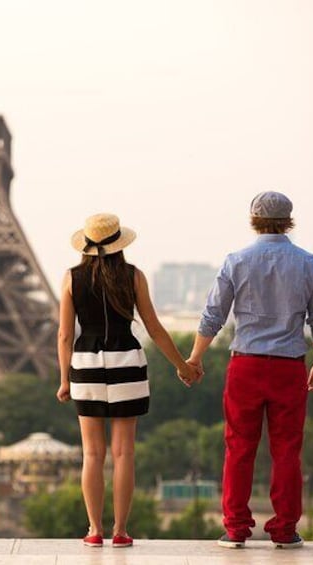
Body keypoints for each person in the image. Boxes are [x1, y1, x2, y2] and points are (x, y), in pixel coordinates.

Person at [185, 191, 313, 550]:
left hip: (245, 365)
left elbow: (213, 316)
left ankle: (236, 529)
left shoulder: (236, 261)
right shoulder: (308, 263)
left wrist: (194, 358)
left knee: (238, 448)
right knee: (286, 450)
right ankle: (284, 529)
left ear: (253, 220)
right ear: (289, 220)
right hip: (289, 367)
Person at [56, 212, 201, 548]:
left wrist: (64, 379)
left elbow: (65, 335)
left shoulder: (70, 278)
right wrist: (182, 365)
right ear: (120, 243)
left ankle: (94, 530)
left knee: (92, 454)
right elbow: (154, 328)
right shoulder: (133, 277)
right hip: (127, 362)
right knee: (124, 454)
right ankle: (120, 531)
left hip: (87, 364)